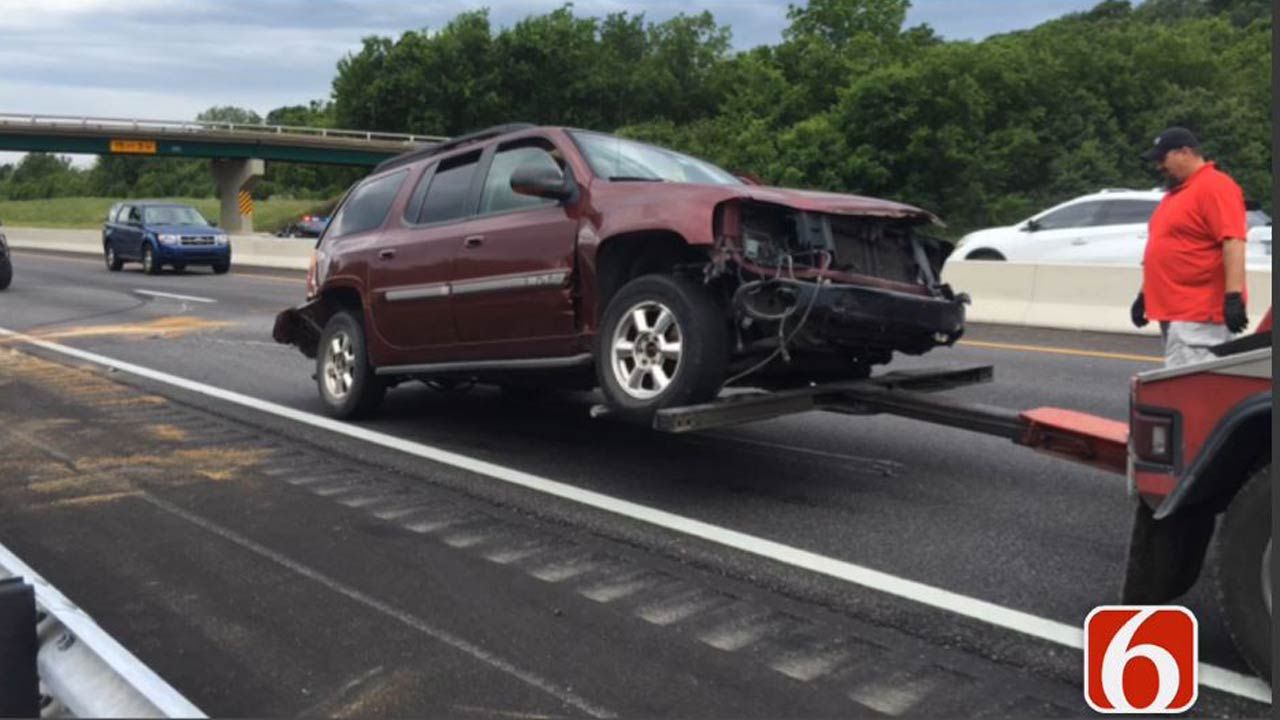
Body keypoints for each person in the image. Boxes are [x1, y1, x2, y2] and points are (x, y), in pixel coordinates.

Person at [1130, 127, 1248, 366]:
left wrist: (1233, 296)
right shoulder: (1176, 194)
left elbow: (1233, 241)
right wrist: (1144, 295)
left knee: (1193, 385)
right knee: (1179, 380)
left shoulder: (1215, 186)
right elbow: (1164, 247)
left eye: (1163, 159)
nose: (1159, 166)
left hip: (1199, 312)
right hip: (1174, 311)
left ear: (1184, 152)